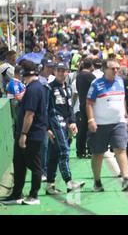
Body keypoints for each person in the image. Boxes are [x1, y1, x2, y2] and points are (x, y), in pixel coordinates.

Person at [0, 61, 48, 205]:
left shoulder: (33, 89)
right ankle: (17, 194)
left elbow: (29, 114)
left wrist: (23, 134)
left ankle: (34, 195)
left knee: (34, 165)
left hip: (31, 134)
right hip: (29, 133)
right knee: (19, 163)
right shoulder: (35, 87)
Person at [86, 58, 128, 192]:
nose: (116, 71)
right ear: (104, 69)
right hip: (100, 124)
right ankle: (97, 181)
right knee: (98, 153)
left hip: (118, 122)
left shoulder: (120, 81)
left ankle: (125, 178)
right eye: (113, 68)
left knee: (121, 149)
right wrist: (91, 120)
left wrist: (125, 115)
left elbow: (122, 99)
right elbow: (89, 103)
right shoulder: (96, 84)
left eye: (117, 68)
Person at [45, 62, 85, 195]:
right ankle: (69, 182)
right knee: (64, 151)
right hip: (54, 124)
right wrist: (47, 128)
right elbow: (44, 109)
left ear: (68, 72)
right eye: (59, 70)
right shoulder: (49, 88)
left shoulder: (68, 88)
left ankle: (50, 185)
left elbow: (70, 108)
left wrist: (73, 122)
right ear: (55, 72)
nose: (62, 73)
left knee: (54, 154)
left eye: (64, 71)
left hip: (65, 124)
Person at [75, 58, 96, 158]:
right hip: (90, 105)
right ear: (91, 66)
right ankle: (91, 150)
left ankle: (80, 151)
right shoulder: (90, 76)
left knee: (82, 129)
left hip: (82, 104)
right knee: (91, 129)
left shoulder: (79, 75)